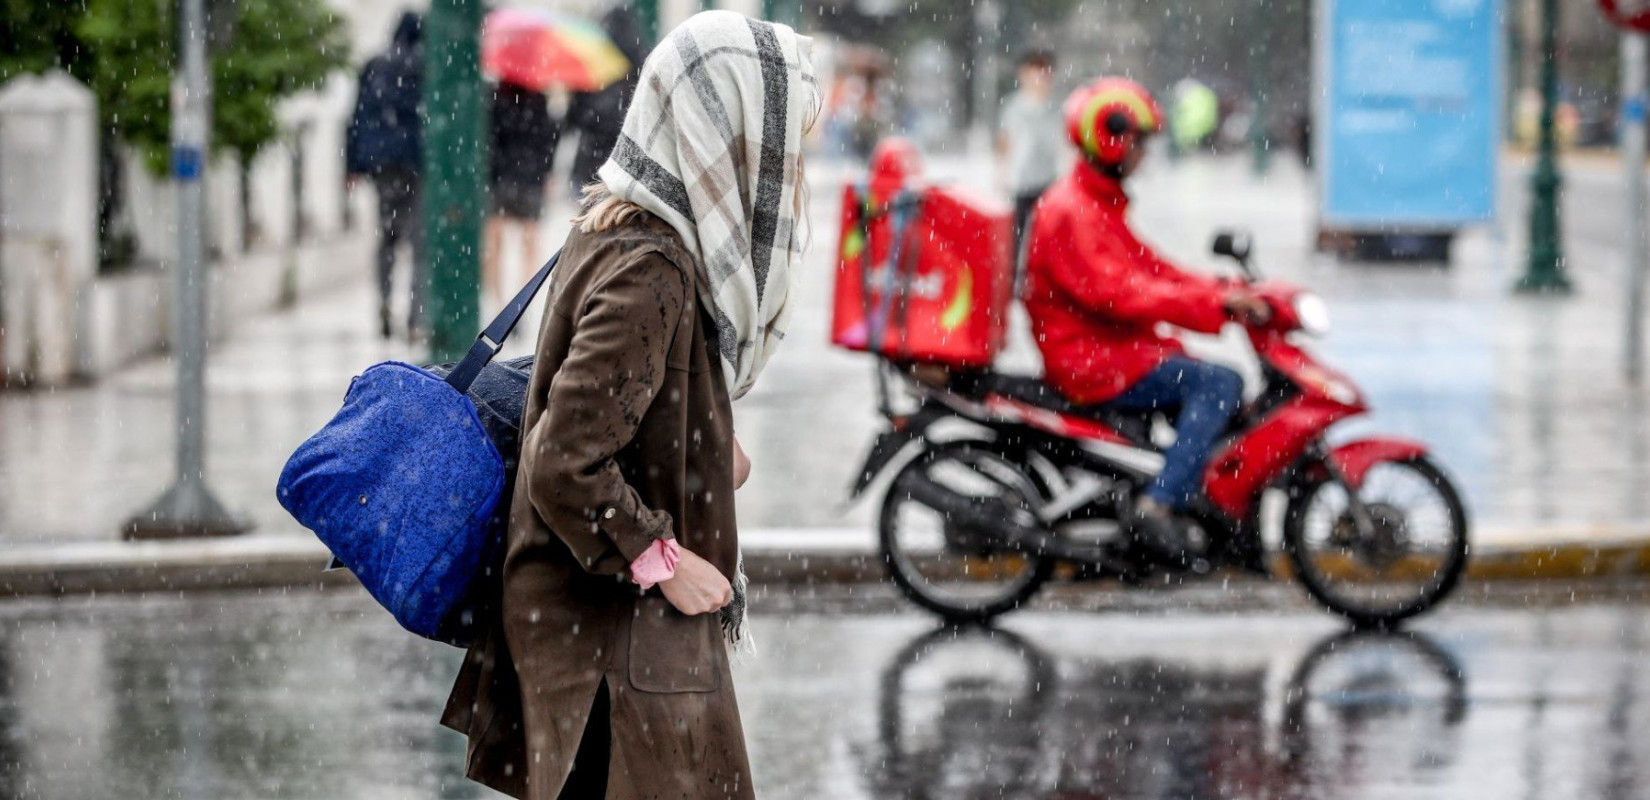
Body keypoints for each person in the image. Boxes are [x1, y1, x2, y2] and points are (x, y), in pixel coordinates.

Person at [441, 11, 817, 799]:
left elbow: (626, 402)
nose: (792, 165)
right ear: (728, 131)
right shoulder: (652, 265)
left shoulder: (628, 223)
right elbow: (565, 460)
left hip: (603, 630)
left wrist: (710, 442)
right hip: (613, 640)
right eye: (781, 137)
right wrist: (664, 561)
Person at [1023, 77, 1271, 565]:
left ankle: (1183, 497)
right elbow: (1121, 293)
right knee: (1219, 383)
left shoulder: (1093, 202)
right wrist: (1214, 306)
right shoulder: (1073, 210)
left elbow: (1151, 268)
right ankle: (1158, 504)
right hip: (1092, 360)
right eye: (1140, 141)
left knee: (1208, 384)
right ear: (1112, 138)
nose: (1144, 154)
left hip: (1109, 349)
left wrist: (1221, 289)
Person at [345, 11, 427, 341]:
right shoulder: (425, 67)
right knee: (420, 242)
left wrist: (352, 164)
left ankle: (384, 302)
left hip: (382, 166)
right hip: (416, 164)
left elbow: (357, 116)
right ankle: (414, 318)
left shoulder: (375, 65)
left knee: (388, 236)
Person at [485, 81, 560, 310]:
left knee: (495, 242)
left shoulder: (497, 98)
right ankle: (520, 303)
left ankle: (498, 301)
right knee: (529, 244)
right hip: (531, 181)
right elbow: (549, 141)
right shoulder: (540, 101)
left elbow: (490, 141)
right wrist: (546, 171)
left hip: (501, 179)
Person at [564, 4, 650, 195]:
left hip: (590, 162)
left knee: (587, 216)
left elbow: (575, 118)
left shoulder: (593, 64)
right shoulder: (642, 66)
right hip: (625, 166)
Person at [996, 49, 1062, 275]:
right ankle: (1012, 277)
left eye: (1045, 71)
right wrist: (1002, 173)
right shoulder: (1014, 107)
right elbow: (1005, 142)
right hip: (1022, 181)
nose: (1041, 77)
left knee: (1049, 236)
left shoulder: (1057, 107)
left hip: (1050, 181)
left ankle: (1044, 277)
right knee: (1017, 234)